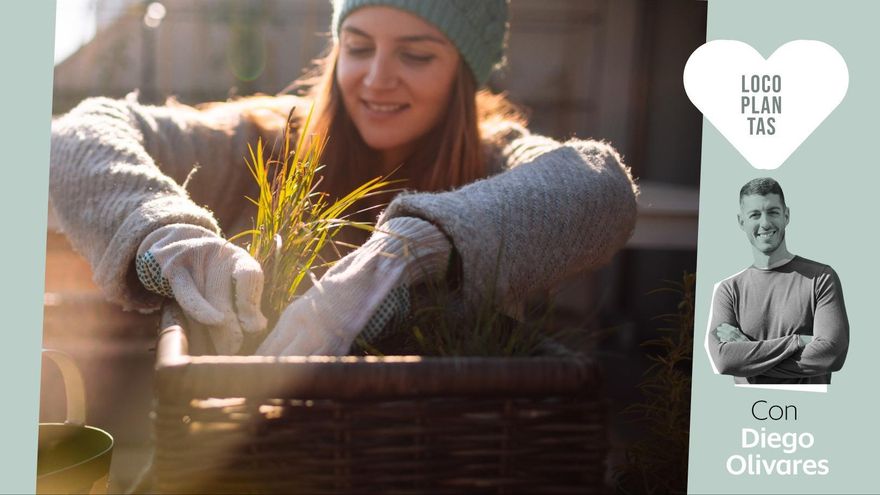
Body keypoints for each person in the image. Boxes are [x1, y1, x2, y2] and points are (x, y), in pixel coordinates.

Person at [49, 0, 638, 356]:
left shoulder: (491, 160)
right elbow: (78, 135)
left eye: (416, 55)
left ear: (464, 71)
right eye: (358, 48)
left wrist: (408, 252)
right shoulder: (269, 140)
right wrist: (166, 233)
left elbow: (601, 182)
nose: (377, 79)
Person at [707, 177, 849, 385]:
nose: (765, 223)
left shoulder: (821, 278)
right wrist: (798, 341)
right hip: (744, 412)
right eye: (755, 214)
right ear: (741, 222)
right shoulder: (729, 290)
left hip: (809, 412)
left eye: (772, 212)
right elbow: (724, 361)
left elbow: (832, 356)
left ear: (786, 215)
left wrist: (748, 357)